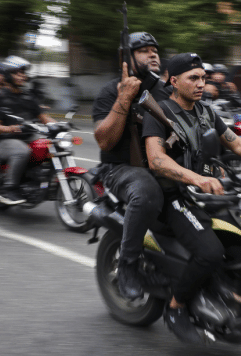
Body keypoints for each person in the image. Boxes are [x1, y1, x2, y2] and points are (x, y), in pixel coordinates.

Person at [142, 53, 241, 343]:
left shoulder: (205, 111)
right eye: (193, 78)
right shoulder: (159, 113)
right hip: (174, 196)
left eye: (203, 78)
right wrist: (197, 178)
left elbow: (238, 145)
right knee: (210, 252)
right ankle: (176, 308)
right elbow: (156, 160)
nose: (201, 83)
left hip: (205, 192)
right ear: (174, 80)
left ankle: (236, 289)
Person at [91, 32, 169, 300]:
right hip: (121, 169)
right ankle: (128, 266)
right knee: (147, 192)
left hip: (163, 165)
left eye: (154, 49)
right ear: (126, 57)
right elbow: (104, 141)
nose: (153, 53)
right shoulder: (110, 91)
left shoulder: (166, 90)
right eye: (144, 50)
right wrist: (124, 99)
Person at [0, 56, 57, 203]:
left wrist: (59, 125)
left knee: (52, 145)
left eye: (23, 72)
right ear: (8, 75)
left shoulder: (28, 97)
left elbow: (43, 117)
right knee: (22, 151)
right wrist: (9, 128)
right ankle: (10, 187)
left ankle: (46, 180)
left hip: (28, 135)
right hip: (5, 140)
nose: (22, 75)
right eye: (17, 73)